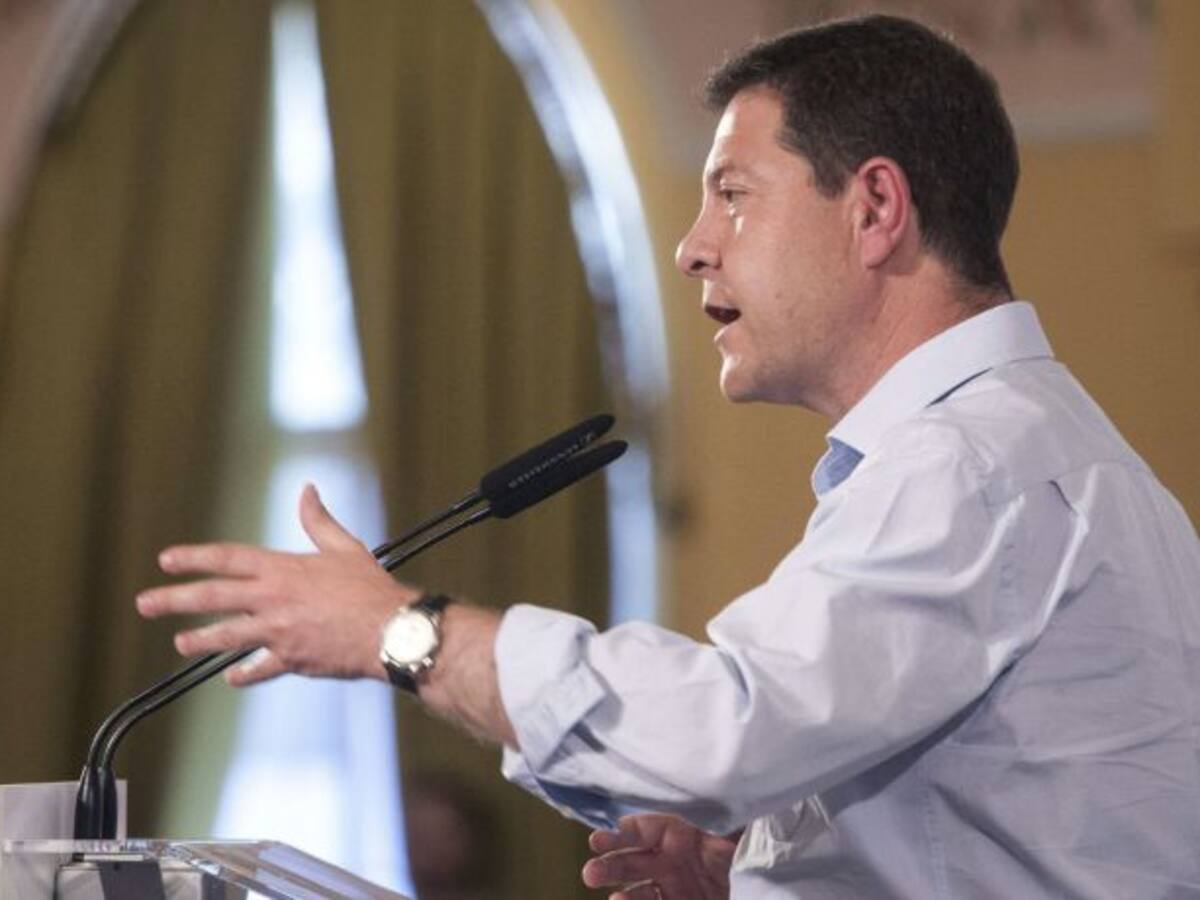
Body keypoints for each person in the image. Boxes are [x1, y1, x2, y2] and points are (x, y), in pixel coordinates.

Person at [136, 14, 1200, 899]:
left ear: (875, 208)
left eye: (733, 194)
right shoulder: (1023, 449)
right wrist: (780, 868)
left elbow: (728, 730)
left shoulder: (974, 462)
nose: (693, 246)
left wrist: (402, 632)